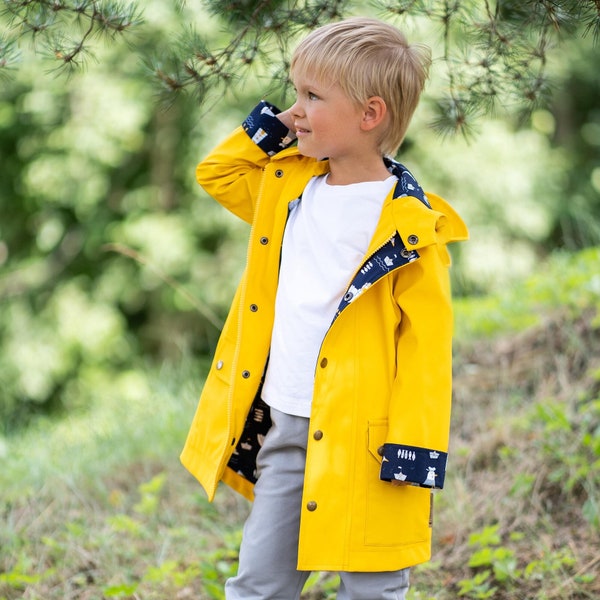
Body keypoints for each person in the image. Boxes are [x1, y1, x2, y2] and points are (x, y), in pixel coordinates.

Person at [181, 16, 468, 599]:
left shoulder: (414, 227)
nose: (297, 109)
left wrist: (414, 447)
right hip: (284, 425)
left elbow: (426, 352)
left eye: (312, 97)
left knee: (371, 587)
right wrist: (276, 127)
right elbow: (217, 172)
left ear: (370, 114)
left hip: (369, 443)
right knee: (258, 583)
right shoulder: (288, 187)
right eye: (295, 93)